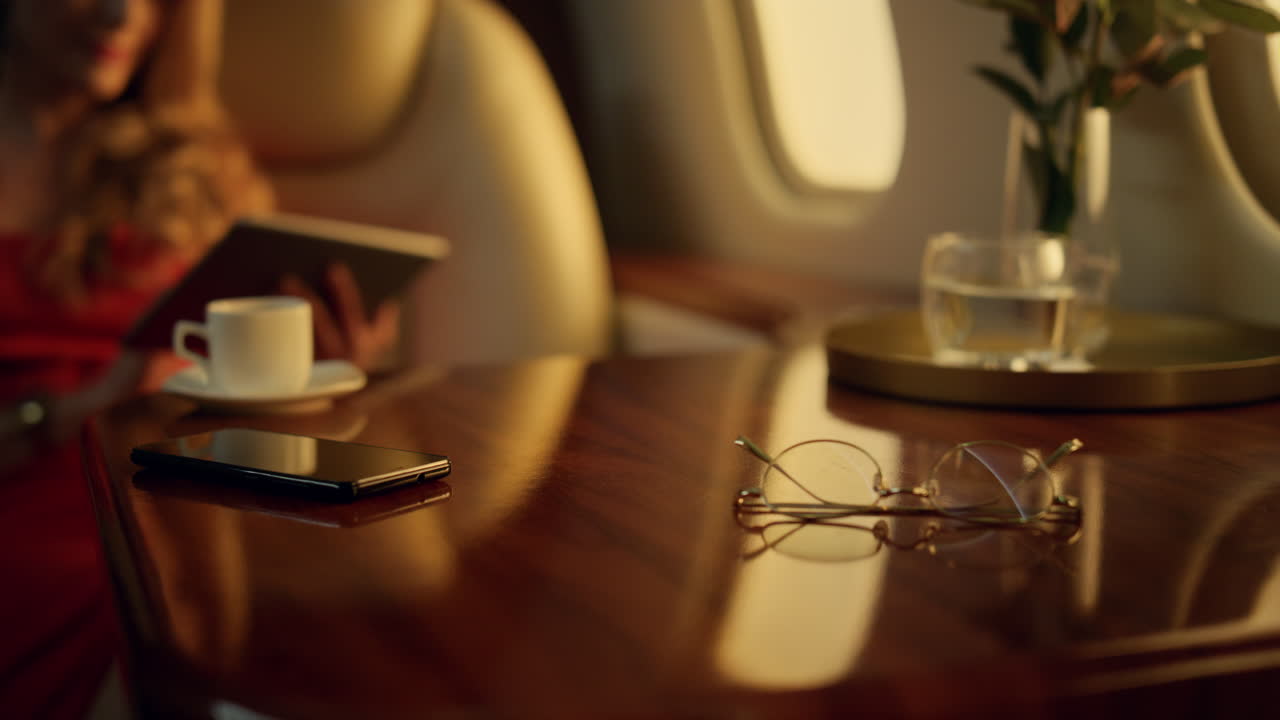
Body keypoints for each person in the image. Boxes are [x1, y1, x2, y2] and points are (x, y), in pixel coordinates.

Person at [0, 0, 396, 716]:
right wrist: (69, 414)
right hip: (34, 527)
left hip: (188, 523)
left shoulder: (199, 171)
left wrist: (318, 377)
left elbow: (254, 407)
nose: (124, 15)